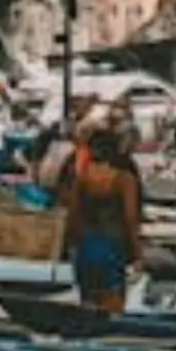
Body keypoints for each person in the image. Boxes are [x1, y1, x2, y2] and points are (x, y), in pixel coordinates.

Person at [64, 128, 141, 313]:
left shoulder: (82, 178)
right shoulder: (123, 179)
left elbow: (73, 213)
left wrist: (70, 245)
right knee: (112, 308)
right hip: (113, 246)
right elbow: (130, 218)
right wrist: (138, 252)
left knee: (87, 305)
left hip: (87, 245)